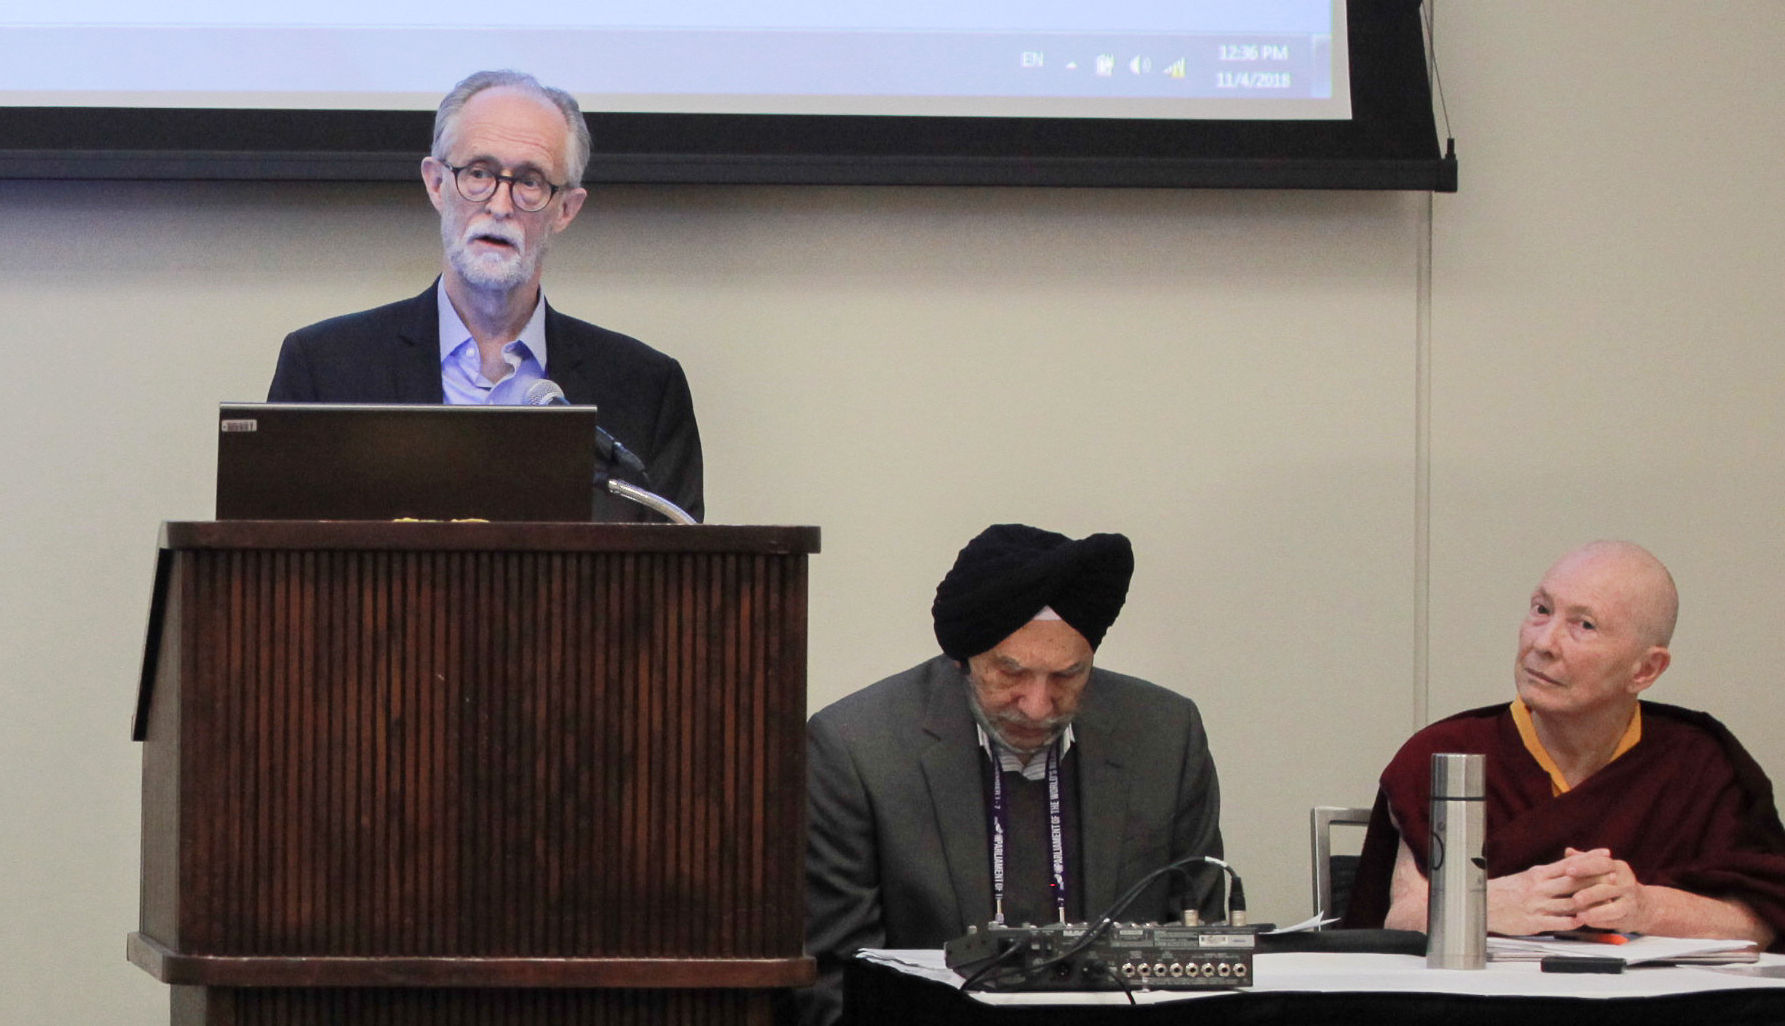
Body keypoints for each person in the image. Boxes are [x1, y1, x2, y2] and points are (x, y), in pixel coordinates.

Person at [801, 524, 1224, 1025]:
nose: (1038, 705)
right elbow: (836, 985)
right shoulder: (857, 749)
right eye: (1011, 673)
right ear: (963, 661)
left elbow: (1203, 955)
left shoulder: (1166, 735)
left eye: (1068, 675)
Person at [266, 69, 703, 521]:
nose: (500, 204)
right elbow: (269, 567)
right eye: (479, 173)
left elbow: (677, 577)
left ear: (566, 209)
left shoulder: (647, 391)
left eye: (530, 182)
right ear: (436, 184)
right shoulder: (324, 370)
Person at [1345, 540, 1785, 945]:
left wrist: (1646, 907)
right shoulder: (1447, 752)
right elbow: (1399, 915)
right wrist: (1492, 903)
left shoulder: (1698, 764)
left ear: (1645, 670)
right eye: (1540, 609)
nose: (1542, 643)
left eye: (1584, 625)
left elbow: (1763, 923)